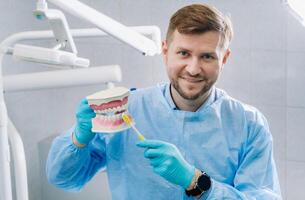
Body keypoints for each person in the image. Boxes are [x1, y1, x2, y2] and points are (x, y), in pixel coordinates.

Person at [46, 3, 282, 199]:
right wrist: (79, 140)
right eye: (184, 53)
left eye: (207, 56)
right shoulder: (126, 110)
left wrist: (197, 182)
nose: (193, 68)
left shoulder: (248, 124)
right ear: (165, 51)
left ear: (225, 58)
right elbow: (62, 178)